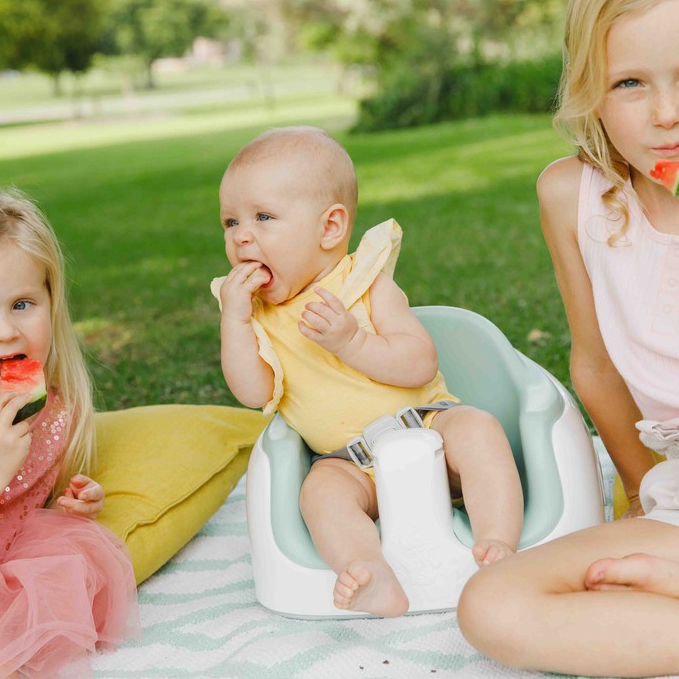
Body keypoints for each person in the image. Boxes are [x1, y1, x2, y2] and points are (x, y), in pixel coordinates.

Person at [213, 125, 523, 618]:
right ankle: (368, 572)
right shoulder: (258, 316)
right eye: (230, 222)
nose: (241, 235)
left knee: (478, 429)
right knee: (319, 495)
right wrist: (235, 321)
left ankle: (498, 543)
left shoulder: (364, 284)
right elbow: (254, 392)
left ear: (330, 228)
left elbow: (420, 362)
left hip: (429, 430)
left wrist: (351, 341)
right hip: (349, 464)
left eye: (263, 217)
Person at [457, 0, 679, 676]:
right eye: (629, 83)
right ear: (590, 91)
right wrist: (644, 493)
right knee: (492, 605)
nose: (666, 113)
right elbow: (598, 368)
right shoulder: (572, 198)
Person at [0, 189, 139, 679]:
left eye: (22, 304)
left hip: (11, 564)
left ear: (52, 304)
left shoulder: (58, 411)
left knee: (71, 562)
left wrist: (77, 504)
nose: (6, 331)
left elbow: (34, 503)